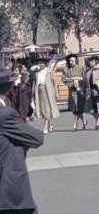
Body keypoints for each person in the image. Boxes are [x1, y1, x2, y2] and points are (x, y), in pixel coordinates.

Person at [0, 69, 45, 214]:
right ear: (8, 88)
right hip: (9, 188)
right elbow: (36, 138)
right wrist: (20, 143)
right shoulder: (6, 114)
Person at [33, 58, 59, 134]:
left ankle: (45, 126)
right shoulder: (37, 73)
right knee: (43, 108)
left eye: (42, 63)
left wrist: (56, 93)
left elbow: (54, 82)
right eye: (39, 63)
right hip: (39, 91)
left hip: (48, 91)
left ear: (45, 64)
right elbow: (35, 84)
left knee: (47, 108)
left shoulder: (49, 71)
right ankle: (50, 125)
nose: (40, 64)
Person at [62, 54, 87, 130]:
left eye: (72, 60)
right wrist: (72, 79)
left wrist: (80, 79)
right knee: (75, 108)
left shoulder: (81, 67)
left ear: (75, 60)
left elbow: (85, 78)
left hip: (80, 90)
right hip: (72, 90)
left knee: (78, 107)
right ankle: (84, 121)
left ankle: (75, 124)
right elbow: (63, 79)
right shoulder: (66, 69)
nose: (71, 62)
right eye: (69, 61)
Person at [85, 57, 99, 130]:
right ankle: (98, 119)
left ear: (95, 62)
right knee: (90, 110)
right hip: (90, 92)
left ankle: (97, 124)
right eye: (90, 61)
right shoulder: (88, 71)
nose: (90, 62)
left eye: (92, 61)